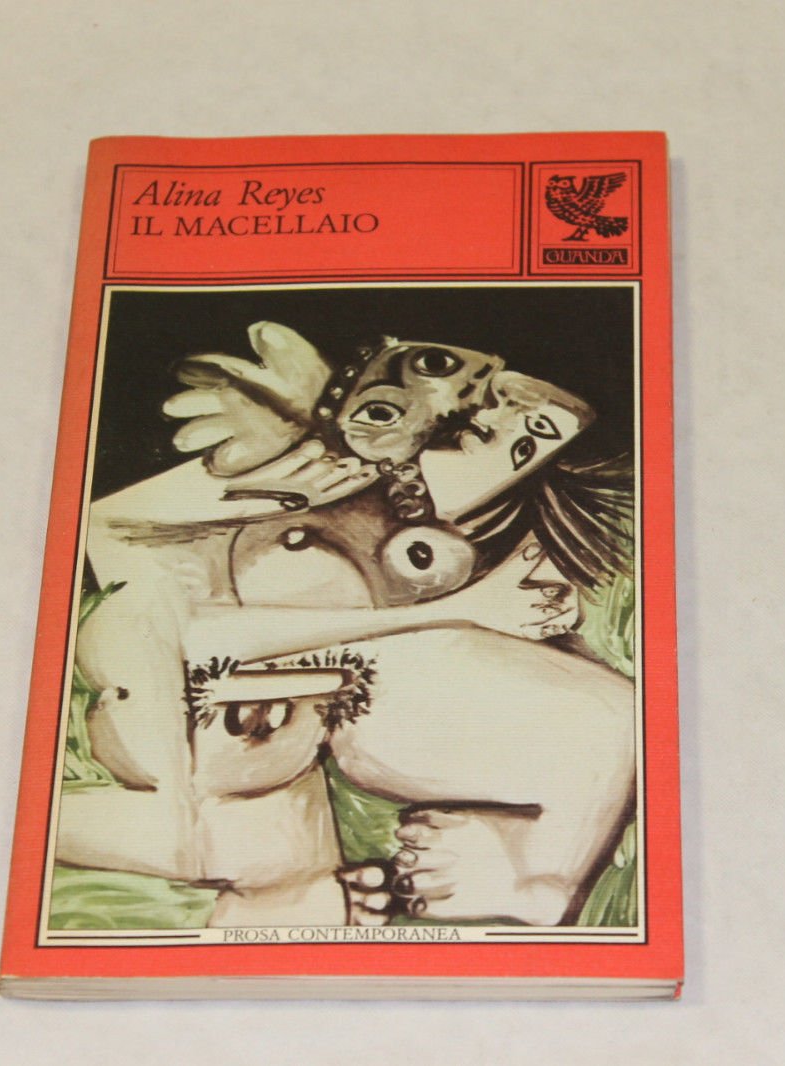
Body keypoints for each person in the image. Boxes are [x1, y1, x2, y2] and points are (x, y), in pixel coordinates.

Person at [57, 324, 635, 926]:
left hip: (286, 731)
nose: (492, 413)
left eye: (530, 439)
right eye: (468, 392)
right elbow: (184, 632)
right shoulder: (293, 478)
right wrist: (462, 610)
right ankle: (534, 876)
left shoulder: (434, 519)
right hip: (192, 714)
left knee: (297, 897)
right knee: (212, 851)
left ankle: (534, 875)